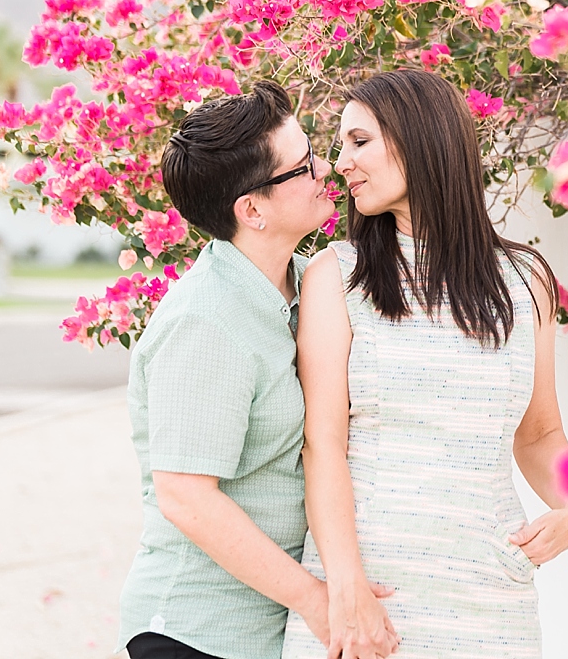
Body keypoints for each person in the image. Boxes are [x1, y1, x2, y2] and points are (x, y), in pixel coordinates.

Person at [281, 70, 568, 659]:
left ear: (419, 137)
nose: (340, 163)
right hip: (371, 590)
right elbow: (323, 445)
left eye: (359, 141)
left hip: (488, 596)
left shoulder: (526, 282)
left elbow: (540, 432)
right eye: (340, 144)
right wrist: (346, 588)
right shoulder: (337, 275)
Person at [117, 82, 398, 659]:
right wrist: (319, 601)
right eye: (303, 167)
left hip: (273, 631)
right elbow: (186, 497)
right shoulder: (206, 320)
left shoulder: (308, 283)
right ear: (252, 209)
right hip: (198, 632)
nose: (327, 169)